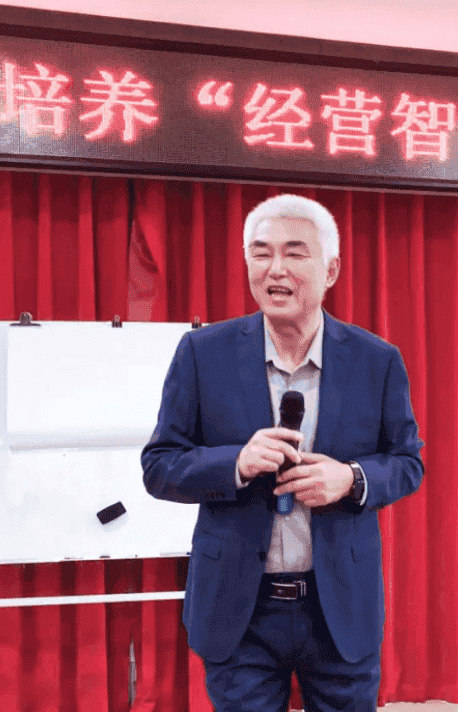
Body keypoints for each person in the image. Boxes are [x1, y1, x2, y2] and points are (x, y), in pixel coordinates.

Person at [142, 193, 424, 712]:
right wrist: (234, 463)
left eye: (295, 253)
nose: (275, 269)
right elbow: (159, 465)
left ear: (331, 269)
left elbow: (408, 463)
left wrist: (352, 479)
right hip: (239, 610)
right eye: (261, 252)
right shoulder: (203, 354)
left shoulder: (376, 360)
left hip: (338, 607)